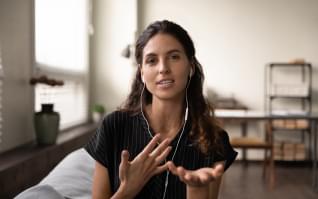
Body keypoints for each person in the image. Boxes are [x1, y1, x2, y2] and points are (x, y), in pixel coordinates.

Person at [85, 20, 238, 199]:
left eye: (174, 57)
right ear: (142, 73)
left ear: (191, 67)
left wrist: (197, 190)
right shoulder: (114, 126)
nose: (163, 68)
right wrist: (127, 190)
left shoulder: (214, 138)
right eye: (152, 60)